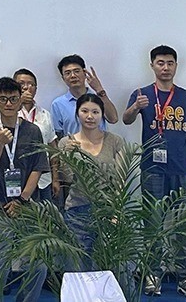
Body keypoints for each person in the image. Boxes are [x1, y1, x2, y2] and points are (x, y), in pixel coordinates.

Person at [122, 45, 186, 298]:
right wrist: (136, 107)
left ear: (176, 66)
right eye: (160, 63)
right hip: (153, 169)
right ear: (152, 65)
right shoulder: (142, 94)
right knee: (153, 223)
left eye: (170, 63)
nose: (165, 67)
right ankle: (153, 272)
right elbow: (126, 120)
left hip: (184, 169)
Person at [0, 77, 48, 302]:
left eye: (13, 99)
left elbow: (38, 167)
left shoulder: (32, 131)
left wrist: (22, 200)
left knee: (39, 266)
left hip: (26, 206)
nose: (8, 104)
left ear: (20, 100)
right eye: (3, 99)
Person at [56, 93, 128, 259]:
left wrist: (116, 211)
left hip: (108, 209)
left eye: (95, 112)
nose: (90, 116)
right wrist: (67, 155)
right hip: (77, 210)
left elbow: (121, 179)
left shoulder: (115, 141)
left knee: (107, 261)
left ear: (102, 115)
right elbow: (67, 179)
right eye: (85, 111)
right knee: (79, 261)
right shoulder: (66, 142)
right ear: (77, 113)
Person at [13, 69, 58, 204]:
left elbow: (52, 148)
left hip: (43, 179)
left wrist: (55, 178)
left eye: (31, 84)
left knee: (45, 214)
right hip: (17, 177)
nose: (26, 87)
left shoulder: (45, 114)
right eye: (21, 84)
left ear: (36, 89)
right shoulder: (7, 112)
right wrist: (18, 102)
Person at [50, 54, 118, 139]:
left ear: (85, 73)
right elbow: (57, 134)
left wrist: (99, 89)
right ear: (63, 78)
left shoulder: (98, 98)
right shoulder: (58, 104)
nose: (73, 76)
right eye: (68, 73)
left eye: (76, 71)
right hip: (73, 147)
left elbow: (113, 119)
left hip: (101, 145)